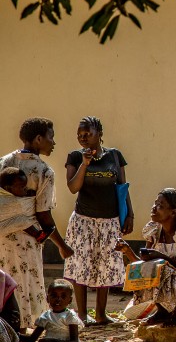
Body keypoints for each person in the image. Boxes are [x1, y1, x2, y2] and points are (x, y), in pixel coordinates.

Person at [0, 117, 73, 329]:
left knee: (3, 284)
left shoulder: (3, 162)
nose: (54, 142)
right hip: (25, 240)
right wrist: (62, 245)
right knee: (24, 286)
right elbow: (43, 215)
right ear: (39, 139)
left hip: (2, 238)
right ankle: (22, 335)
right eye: (51, 137)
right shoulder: (44, 171)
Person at [63, 116, 132, 325]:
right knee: (81, 264)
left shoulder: (115, 156)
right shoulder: (75, 157)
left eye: (88, 134)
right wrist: (85, 163)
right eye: (80, 134)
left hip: (109, 220)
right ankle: (82, 314)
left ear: (99, 134)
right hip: (83, 221)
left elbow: (122, 187)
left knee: (106, 265)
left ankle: (101, 314)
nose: (83, 138)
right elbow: (73, 187)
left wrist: (130, 213)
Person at [115, 188, 176, 326]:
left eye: (160, 206)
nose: (154, 208)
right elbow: (144, 267)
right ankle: (162, 311)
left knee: (164, 269)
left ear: (173, 212)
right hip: (167, 280)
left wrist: (163, 258)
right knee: (151, 269)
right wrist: (127, 251)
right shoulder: (154, 229)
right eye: (155, 203)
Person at [19, 279, 91, 342]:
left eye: (63, 296)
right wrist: (15, 334)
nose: (58, 299)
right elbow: (32, 339)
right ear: (48, 298)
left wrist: (53, 341)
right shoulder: (46, 316)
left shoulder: (70, 316)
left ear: (69, 300)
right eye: (54, 296)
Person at [0, 167, 51, 243]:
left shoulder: (8, 193)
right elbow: (26, 203)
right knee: (22, 221)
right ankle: (38, 235)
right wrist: (32, 197)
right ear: (8, 189)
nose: (26, 189)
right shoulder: (11, 202)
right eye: (22, 187)